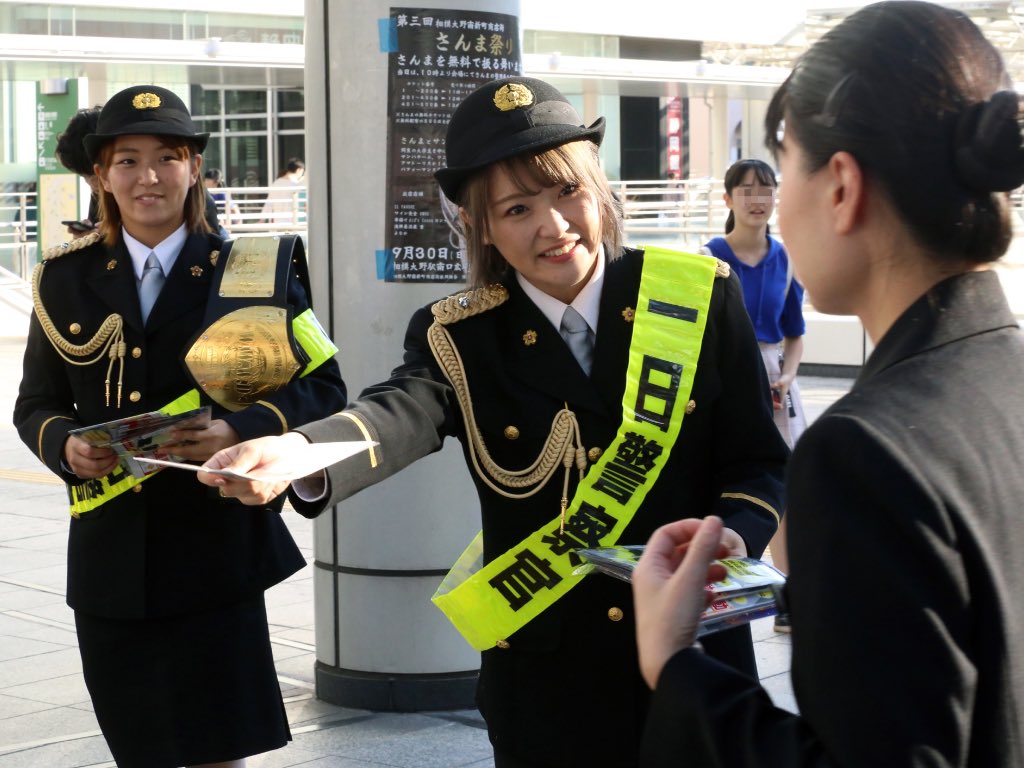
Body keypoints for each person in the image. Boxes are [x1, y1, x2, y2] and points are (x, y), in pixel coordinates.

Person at [198, 76, 787, 767]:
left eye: (567, 191)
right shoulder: (459, 335)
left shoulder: (696, 298)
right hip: (547, 674)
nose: (553, 226)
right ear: (479, 225)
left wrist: (735, 536)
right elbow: (401, 410)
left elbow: (757, 460)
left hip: (693, 654)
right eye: (517, 208)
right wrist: (301, 449)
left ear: (600, 188)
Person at [632, 3, 1024, 765]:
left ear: (841, 186)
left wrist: (675, 665)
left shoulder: (863, 455)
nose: (777, 206)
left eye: (787, 169)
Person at [13, 85, 347, 768]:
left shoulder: (254, 270)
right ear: (102, 176)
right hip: (110, 558)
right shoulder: (61, 280)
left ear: (194, 168)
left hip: (215, 554)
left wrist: (240, 429)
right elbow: (35, 404)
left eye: (168, 157)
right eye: (128, 161)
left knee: (220, 747)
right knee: (138, 748)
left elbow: (323, 386)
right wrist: (65, 446)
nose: (149, 177)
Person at [703, 158, 807, 629]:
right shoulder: (709, 257)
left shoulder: (785, 257)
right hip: (723, 374)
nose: (757, 200)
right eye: (746, 190)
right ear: (728, 199)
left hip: (775, 377)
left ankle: (785, 593)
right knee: (728, 477)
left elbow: (794, 332)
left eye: (765, 189)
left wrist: (786, 376)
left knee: (782, 486)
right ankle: (723, 585)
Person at [55, 106, 103, 236]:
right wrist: (80, 241)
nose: (91, 184)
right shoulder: (99, 195)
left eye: (93, 175)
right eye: (83, 176)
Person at [260, 157, 305, 225]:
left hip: (278, 222)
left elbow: (269, 203)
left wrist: (262, 219)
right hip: (292, 222)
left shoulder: (276, 183)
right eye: (302, 172)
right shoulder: (296, 185)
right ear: (299, 170)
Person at [203, 167, 239, 236]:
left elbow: (235, 210)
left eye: (207, 179)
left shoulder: (223, 194)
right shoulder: (205, 194)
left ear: (215, 181)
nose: (205, 181)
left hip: (222, 222)